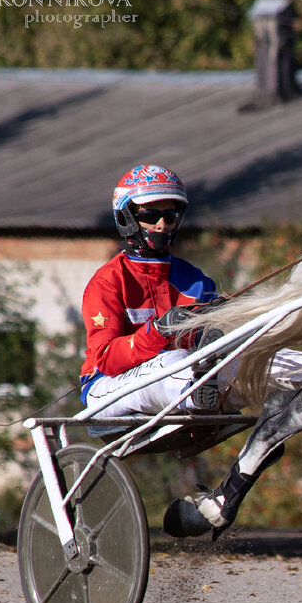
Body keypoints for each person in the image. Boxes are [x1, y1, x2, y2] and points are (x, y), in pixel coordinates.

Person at [79, 164, 221, 418]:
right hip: (106, 384)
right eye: (151, 215)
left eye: (170, 216)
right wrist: (157, 331)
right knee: (171, 360)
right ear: (127, 218)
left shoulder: (197, 281)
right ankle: (195, 395)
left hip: (181, 371)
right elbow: (107, 360)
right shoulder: (108, 281)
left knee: (253, 357)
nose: (162, 225)